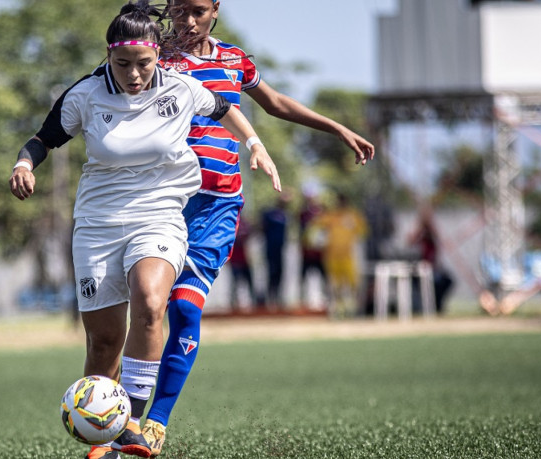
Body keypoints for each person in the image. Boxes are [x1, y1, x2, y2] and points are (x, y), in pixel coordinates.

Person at [8, 2, 279, 458]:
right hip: (98, 225)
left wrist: (255, 144)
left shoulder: (181, 87)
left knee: (152, 298)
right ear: (108, 58)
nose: (134, 74)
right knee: (105, 343)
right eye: (123, 64)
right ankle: (103, 437)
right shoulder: (86, 95)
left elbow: (225, 108)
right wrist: (23, 164)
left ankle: (131, 422)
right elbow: (43, 138)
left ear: (157, 55)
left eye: (144, 64)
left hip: (160, 215)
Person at [142, 0, 375, 454]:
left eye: (198, 11)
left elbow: (276, 104)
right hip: (161, 202)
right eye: (180, 11)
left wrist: (336, 128)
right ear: (167, 9)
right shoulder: (151, 58)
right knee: (143, 310)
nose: (188, 22)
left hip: (217, 207)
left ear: (215, 10)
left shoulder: (234, 59)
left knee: (185, 310)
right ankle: (120, 411)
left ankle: (155, 424)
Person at [316, 193, 369, 318]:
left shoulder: (353, 215)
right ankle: (337, 309)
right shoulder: (331, 215)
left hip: (348, 256)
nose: (341, 204)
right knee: (335, 285)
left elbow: (363, 231)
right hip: (331, 256)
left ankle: (354, 308)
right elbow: (317, 228)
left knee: (352, 284)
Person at [407, 205, 454, 314]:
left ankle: (437, 305)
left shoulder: (432, 238)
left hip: (432, 269)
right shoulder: (419, 235)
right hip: (419, 269)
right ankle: (427, 307)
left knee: (446, 281)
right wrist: (419, 229)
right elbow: (410, 243)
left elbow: (438, 249)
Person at [299, 193, 329, 310]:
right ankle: (302, 300)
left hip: (320, 253)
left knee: (324, 277)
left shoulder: (323, 215)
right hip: (307, 252)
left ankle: (326, 300)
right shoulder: (304, 214)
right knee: (304, 277)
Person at [261, 192, 291, 309]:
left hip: (280, 249)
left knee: (280, 273)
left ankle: (278, 297)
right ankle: (270, 298)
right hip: (270, 248)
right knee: (271, 272)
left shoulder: (286, 215)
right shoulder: (270, 213)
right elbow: (262, 228)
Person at [227, 217, 256, 311]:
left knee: (249, 281)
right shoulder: (231, 223)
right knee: (235, 283)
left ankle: (253, 303)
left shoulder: (245, 223)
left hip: (245, 259)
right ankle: (234, 304)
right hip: (235, 259)